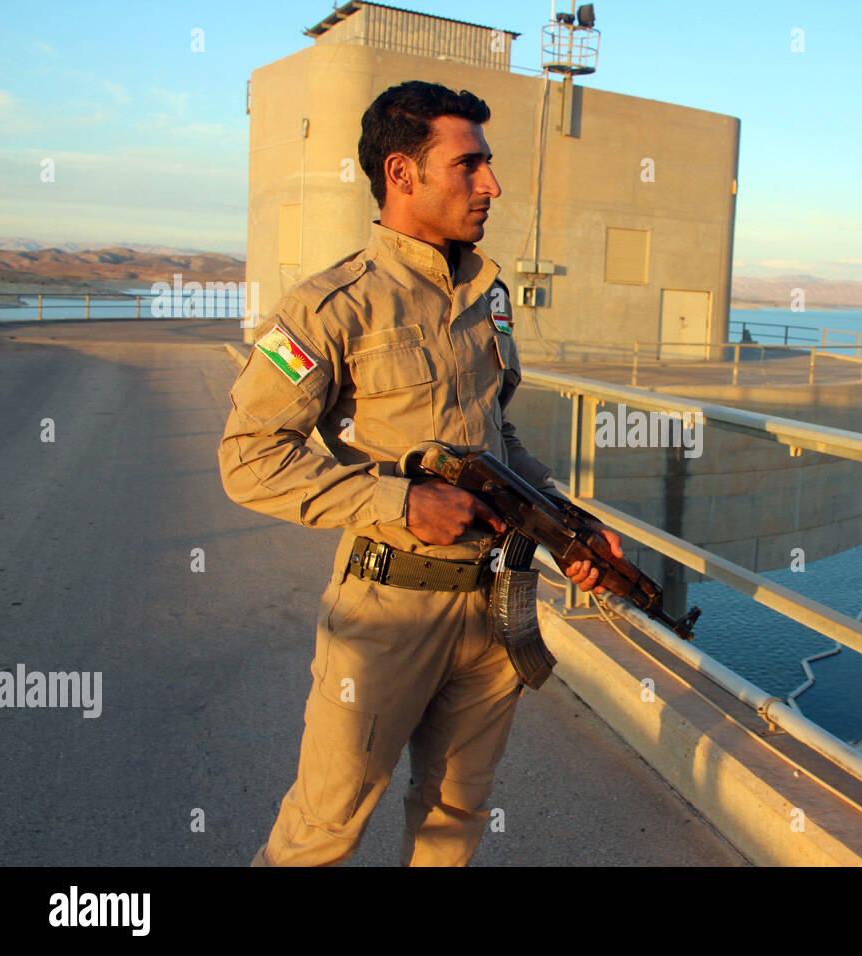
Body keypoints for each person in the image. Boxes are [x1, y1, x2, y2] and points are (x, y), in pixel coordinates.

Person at [218, 80, 621, 866]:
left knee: (454, 819)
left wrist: (567, 523)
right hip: (387, 612)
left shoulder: (488, 295)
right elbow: (249, 457)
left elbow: (494, 434)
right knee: (322, 830)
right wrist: (397, 501)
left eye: (489, 165)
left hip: (496, 603)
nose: (491, 186)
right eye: (468, 166)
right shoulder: (330, 308)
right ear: (402, 174)